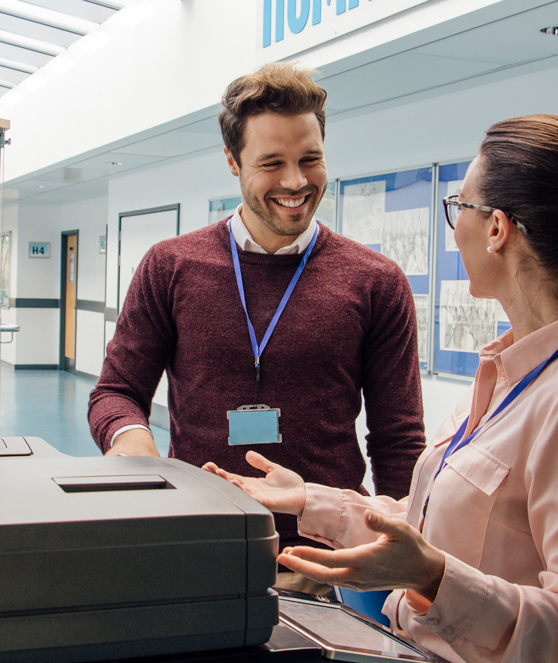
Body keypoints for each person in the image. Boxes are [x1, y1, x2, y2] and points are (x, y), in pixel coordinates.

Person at [205, 114, 558, 662]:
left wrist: (433, 578)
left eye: (460, 207)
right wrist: (309, 500)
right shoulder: (510, 371)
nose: (455, 229)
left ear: (497, 229)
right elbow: (431, 524)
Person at [88, 63, 427, 592]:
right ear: (232, 160)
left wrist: (399, 562)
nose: (296, 182)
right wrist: (131, 439)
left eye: (310, 159)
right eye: (272, 163)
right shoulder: (171, 266)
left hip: (328, 567)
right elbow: (116, 392)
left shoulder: (375, 281)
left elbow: (398, 439)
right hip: (199, 548)